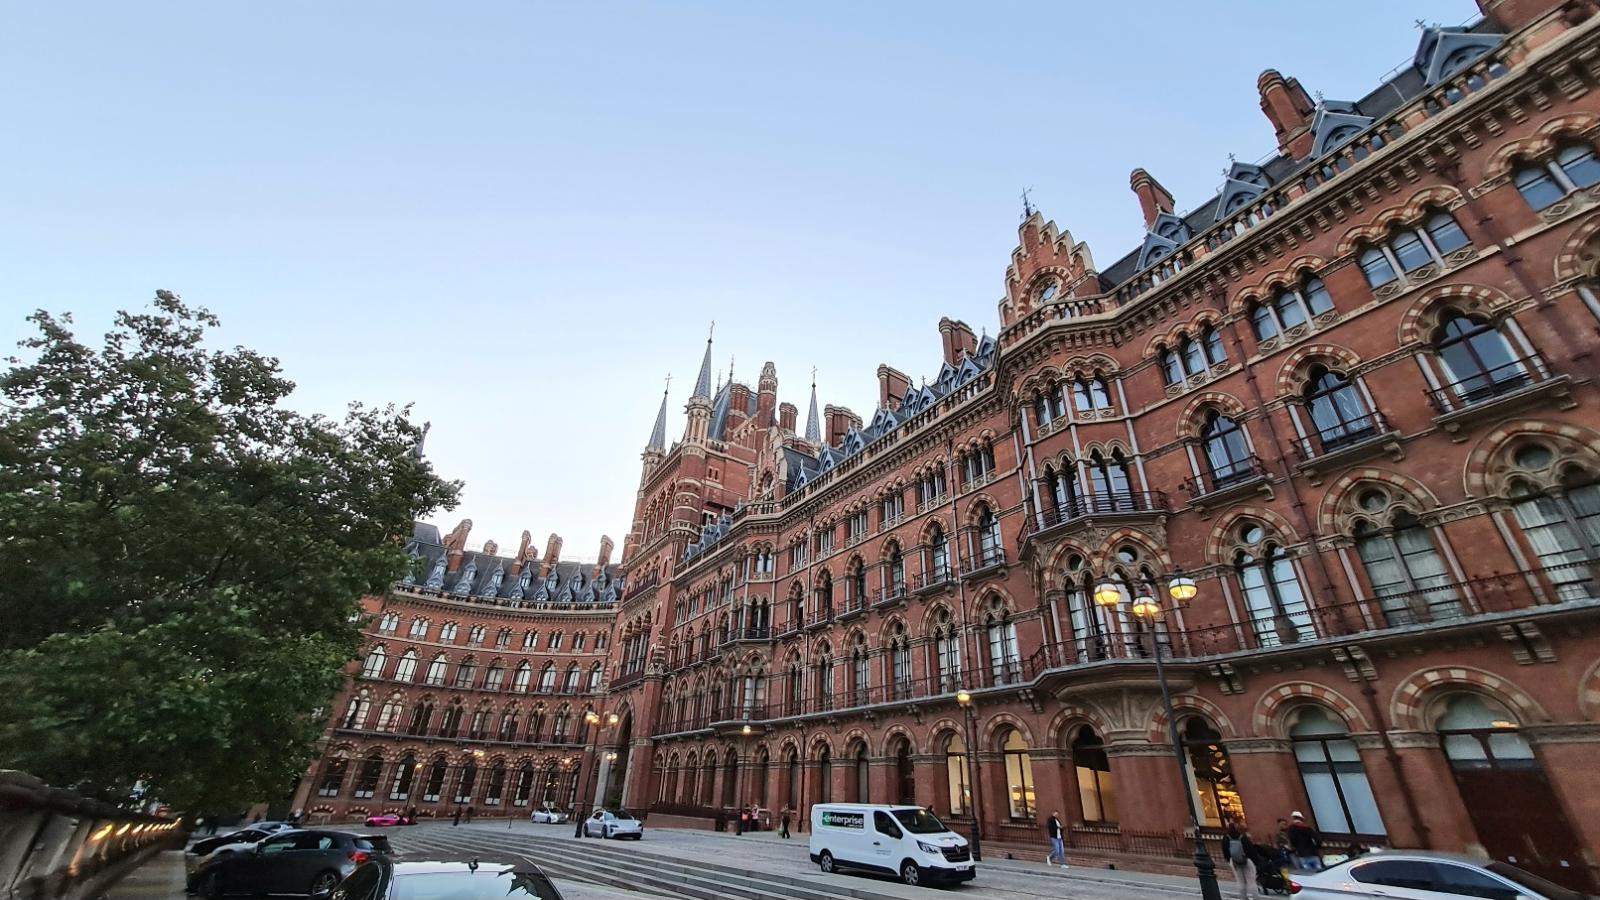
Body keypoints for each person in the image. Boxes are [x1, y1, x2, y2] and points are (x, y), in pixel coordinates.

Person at [1223, 821, 1258, 900]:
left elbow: (1225, 851)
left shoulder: (1226, 838)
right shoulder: (1242, 837)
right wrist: (1254, 861)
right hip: (1246, 860)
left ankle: (1243, 898)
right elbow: (1251, 850)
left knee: (1240, 881)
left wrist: (1229, 860)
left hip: (1234, 861)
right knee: (1251, 882)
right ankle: (1256, 898)